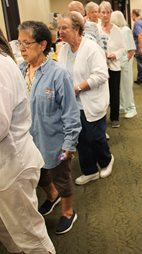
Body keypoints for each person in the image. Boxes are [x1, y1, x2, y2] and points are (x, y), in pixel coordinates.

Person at [18, 20, 81, 235]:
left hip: (54, 141)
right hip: (29, 140)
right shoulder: (19, 70)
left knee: (61, 176)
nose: (22, 49)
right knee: (40, 174)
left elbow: (71, 113)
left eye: (27, 43)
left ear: (43, 44)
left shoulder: (58, 74)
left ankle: (68, 211)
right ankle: (51, 196)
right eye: (19, 44)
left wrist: (69, 144)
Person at [0, 30, 55, 254]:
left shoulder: (1, 66)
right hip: (9, 167)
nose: (23, 48)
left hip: (13, 165)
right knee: (11, 235)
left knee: (31, 238)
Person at [58, 12, 114, 185]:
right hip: (73, 104)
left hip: (91, 101)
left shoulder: (91, 48)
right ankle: (89, 170)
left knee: (96, 137)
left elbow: (102, 75)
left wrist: (78, 87)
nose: (60, 31)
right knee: (80, 139)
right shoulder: (64, 49)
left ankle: (106, 160)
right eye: (59, 28)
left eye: (64, 28)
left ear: (76, 29)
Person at [98, 1, 125, 128]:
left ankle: (114, 118)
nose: (105, 15)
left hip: (114, 65)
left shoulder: (117, 30)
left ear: (111, 13)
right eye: (103, 12)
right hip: (99, 66)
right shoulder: (96, 29)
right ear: (99, 14)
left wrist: (114, 54)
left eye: (108, 12)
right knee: (101, 93)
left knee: (114, 92)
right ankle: (101, 117)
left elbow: (122, 48)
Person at [111, 10, 138, 119]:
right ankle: (123, 106)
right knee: (120, 86)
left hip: (125, 62)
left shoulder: (126, 30)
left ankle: (131, 108)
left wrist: (125, 61)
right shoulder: (115, 30)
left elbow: (131, 49)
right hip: (117, 63)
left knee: (127, 86)